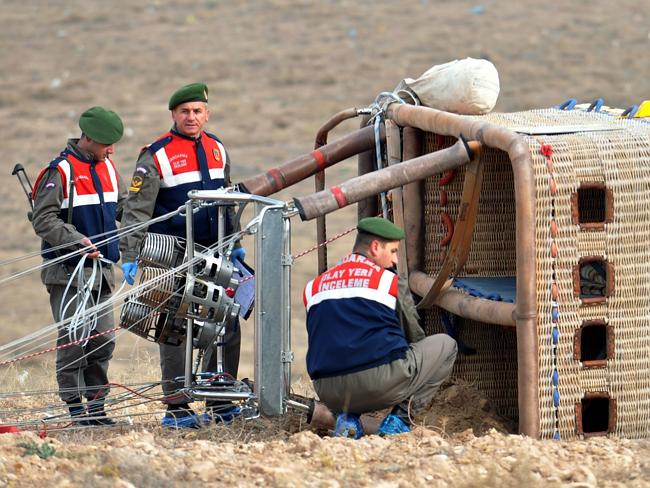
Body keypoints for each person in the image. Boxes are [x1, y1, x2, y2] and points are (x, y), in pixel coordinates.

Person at [119, 82, 243, 428]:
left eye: (197, 111)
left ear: (207, 114)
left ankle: (221, 400)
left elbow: (228, 200)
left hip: (215, 252)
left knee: (226, 322)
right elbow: (136, 211)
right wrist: (131, 253)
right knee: (173, 329)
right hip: (171, 255)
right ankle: (176, 407)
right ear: (173, 115)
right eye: (185, 111)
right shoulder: (154, 155)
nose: (191, 117)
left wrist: (234, 240)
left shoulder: (218, 148)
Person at [303, 217, 458, 437]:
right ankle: (399, 421)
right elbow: (414, 336)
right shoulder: (389, 281)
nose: (395, 260)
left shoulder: (314, 286)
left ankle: (346, 419)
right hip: (378, 385)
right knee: (445, 345)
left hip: (328, 391)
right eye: (393, 251)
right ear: (375, 247)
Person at [31, 106, 126, 425]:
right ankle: (74, 408)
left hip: (104, 272)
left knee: (103, 340)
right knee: (75, 339)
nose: (111, 149)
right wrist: (76, 241)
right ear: (86, 138)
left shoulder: (110, 168)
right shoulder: (59, 172)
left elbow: (124, 209)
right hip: (68, 273)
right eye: (105, 143)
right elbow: (43, 219)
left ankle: (97, 407)